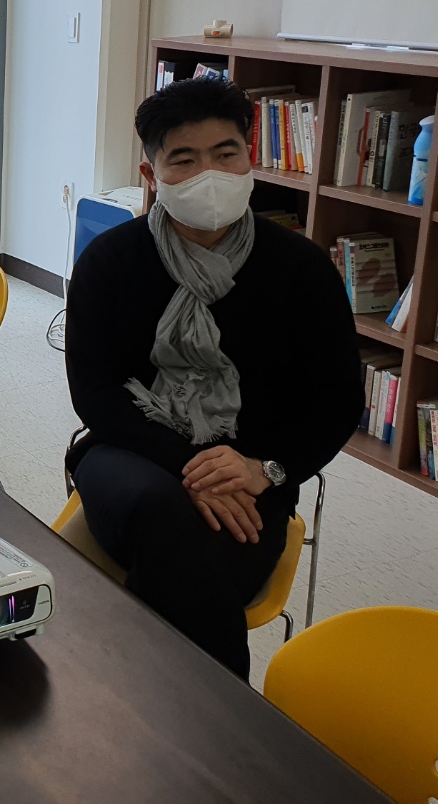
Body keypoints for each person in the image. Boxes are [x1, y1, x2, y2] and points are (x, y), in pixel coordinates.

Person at [64, 78, 362, 679]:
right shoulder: (110, 261)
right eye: (184, 159)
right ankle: (223, 720)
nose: (210, 174)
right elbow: (94, 391)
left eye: (226, 154)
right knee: (165, 513)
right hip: (132, 454)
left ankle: (141, 694)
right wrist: (191, 466)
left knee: (187, 560)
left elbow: (337, 401)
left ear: (250, 158)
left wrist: (263, 469)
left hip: (253, 477)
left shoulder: (302, 269)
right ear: (151, 175)